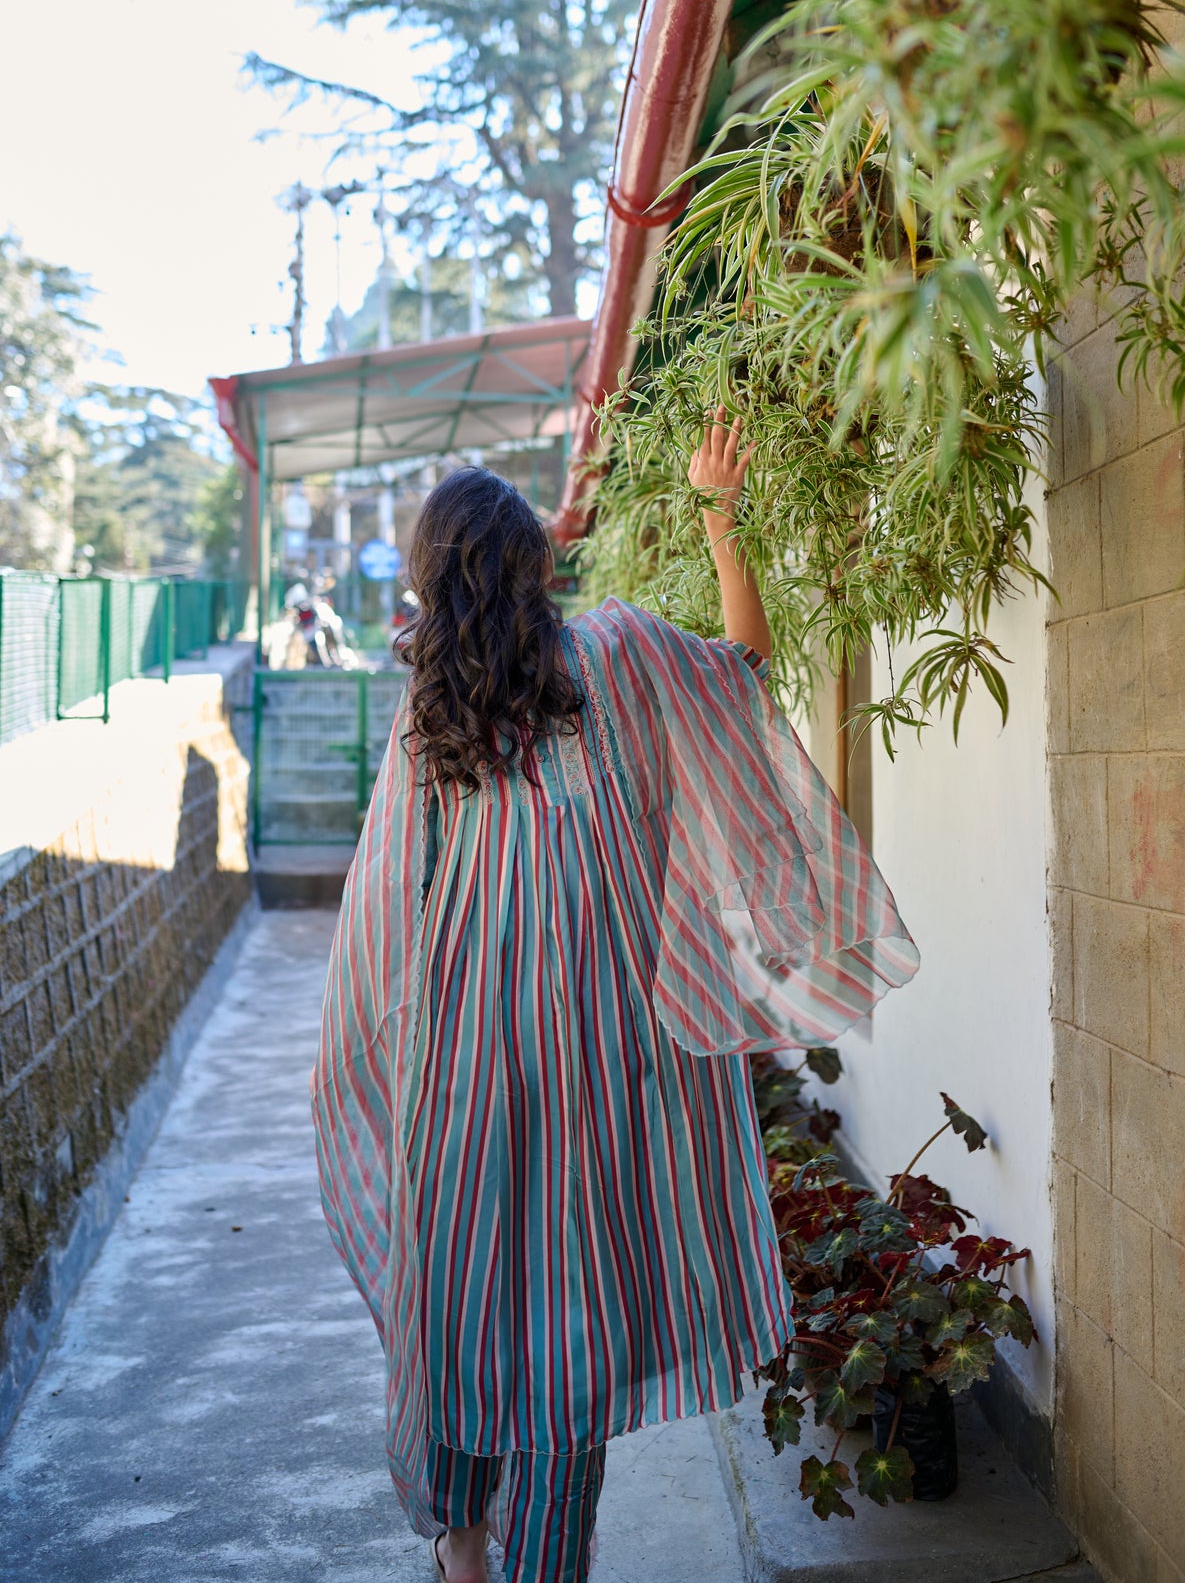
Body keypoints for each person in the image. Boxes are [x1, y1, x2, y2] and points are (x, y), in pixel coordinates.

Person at [312, 412, 920, 1582]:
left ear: (430, 576)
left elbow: (393, 913)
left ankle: (461, 1534)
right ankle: (532, 1563)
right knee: (569, 1330)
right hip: (612, 1067)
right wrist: (720, 516)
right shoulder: (628, 655)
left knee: (462, 1299)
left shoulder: (428, 712)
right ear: (540, 562)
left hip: (469, 1071)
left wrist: (380, 1061)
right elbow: (746, 669)